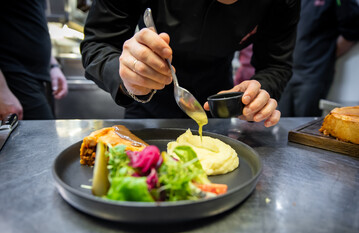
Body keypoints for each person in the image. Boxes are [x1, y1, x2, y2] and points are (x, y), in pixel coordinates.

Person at [81, 0, 300, 127]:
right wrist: (126, 77)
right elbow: (98, 44)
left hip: (216, 106)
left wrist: (259, 93)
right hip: (147, 105)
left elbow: (276, 64)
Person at [278, 0, 359, 117]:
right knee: (281, 120)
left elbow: (353, 30)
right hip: (286, 71)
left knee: (304, 124)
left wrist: (326, 55)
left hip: (313, 74)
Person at [0, 1, 68, 120]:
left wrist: (52, 66)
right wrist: (1, 92)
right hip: (12, 75)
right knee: (45, 135)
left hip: (32, 78)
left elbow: (33, 19)